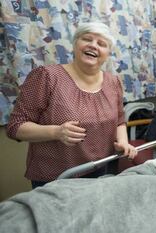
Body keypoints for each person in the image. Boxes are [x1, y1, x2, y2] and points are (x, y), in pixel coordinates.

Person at [6, 22, 137, 189]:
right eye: (87, 39)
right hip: (55, 176)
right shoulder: (47, 77)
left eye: (101, 44)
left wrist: (123, 142)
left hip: (101, 169)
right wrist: (56, 132)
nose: (93, 45)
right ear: (75, 45)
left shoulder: (113, 82)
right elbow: (15, 127)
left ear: (108, 53)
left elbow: (119, 121)